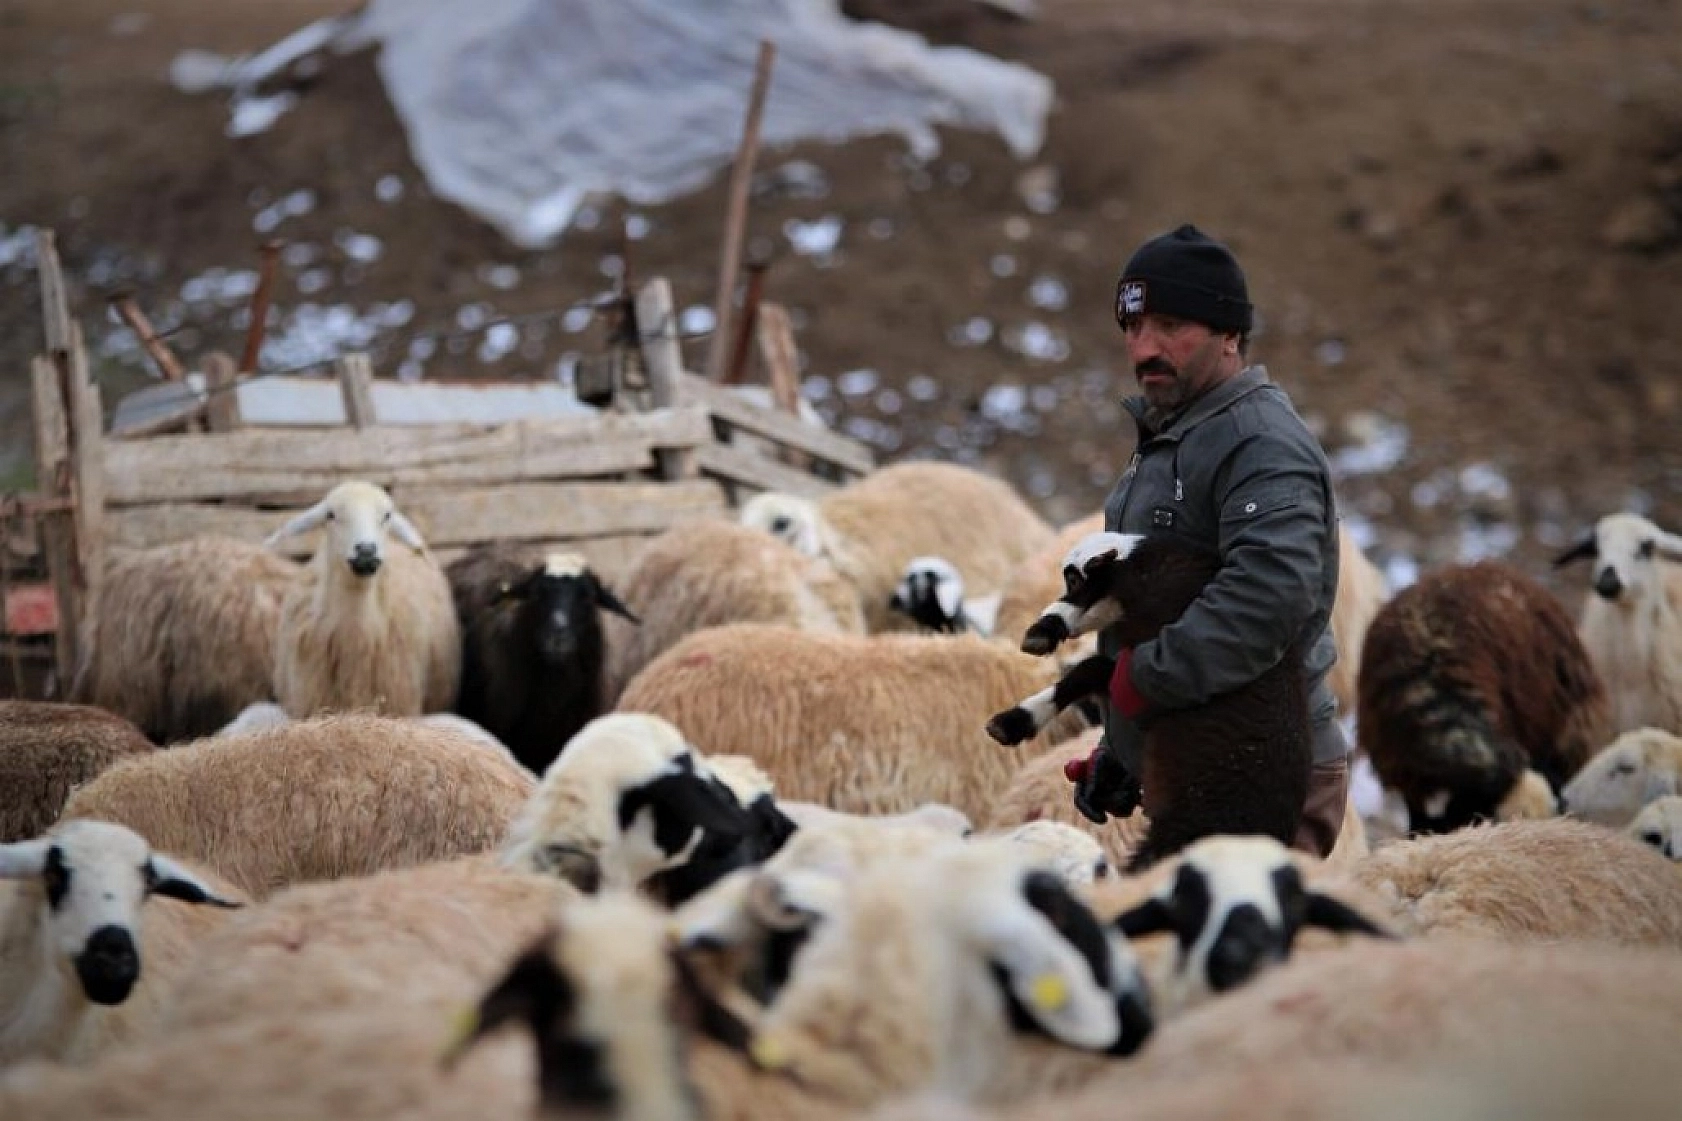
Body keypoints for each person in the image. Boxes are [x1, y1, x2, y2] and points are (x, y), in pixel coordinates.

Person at [1064, 223, 1349, 857]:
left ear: (1229, 333)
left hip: (1264, 769)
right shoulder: (1179, 436)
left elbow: (1267, 598)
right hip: (1204, 759)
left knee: (1240, 957)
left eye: (1169, 325)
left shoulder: (1260, 443)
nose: (1144, 349)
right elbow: (1161, 605)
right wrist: (1126, 747)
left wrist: (1143, 682)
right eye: (1133, 329)